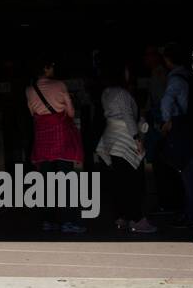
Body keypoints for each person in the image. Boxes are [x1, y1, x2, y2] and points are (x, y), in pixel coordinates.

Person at [25, 57, 86, 234]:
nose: (53, 69)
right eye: (51, 66)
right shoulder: (59, 85)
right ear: (46, 68)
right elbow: (71, 112)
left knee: (46, 183)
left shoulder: (29, 90)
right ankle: (68, 222)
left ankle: (48, 221)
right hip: (62, 139)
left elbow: (32, 112)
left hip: (43, 140)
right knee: (66, 182)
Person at [94, 62, 156, 234]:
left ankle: (122, 217)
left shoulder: (106, 92)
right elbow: (128, 116)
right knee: (132, 182)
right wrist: (137, 138)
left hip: (111, 138)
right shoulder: (122, 93)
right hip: (124, 140)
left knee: (119, 182)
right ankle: (137, 219)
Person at [160, 42, 193, 228]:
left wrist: (166, 121)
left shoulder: (175, 79)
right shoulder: (191, 76)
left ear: (168, 60)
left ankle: (192, 215)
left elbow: (167, 100)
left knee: (186, 172)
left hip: (180, 127)